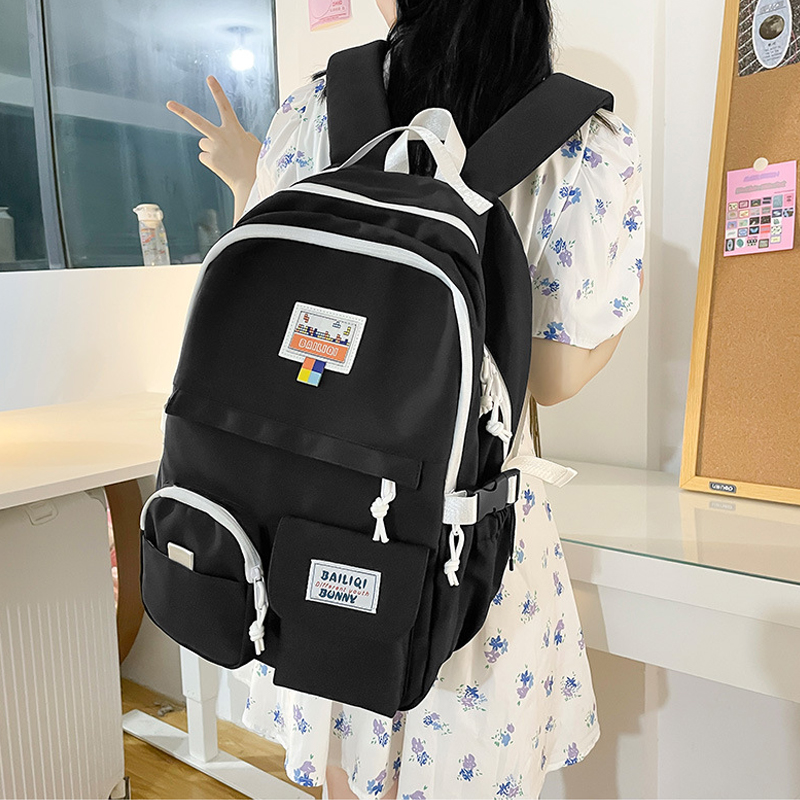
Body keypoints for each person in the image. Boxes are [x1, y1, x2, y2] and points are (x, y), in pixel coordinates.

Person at [167, 1, 645, 796]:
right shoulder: (584, 141)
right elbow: (554, 378)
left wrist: (254, 175)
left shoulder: (318, 107)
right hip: (469, 543)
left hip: (313, 521)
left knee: (342, 763)